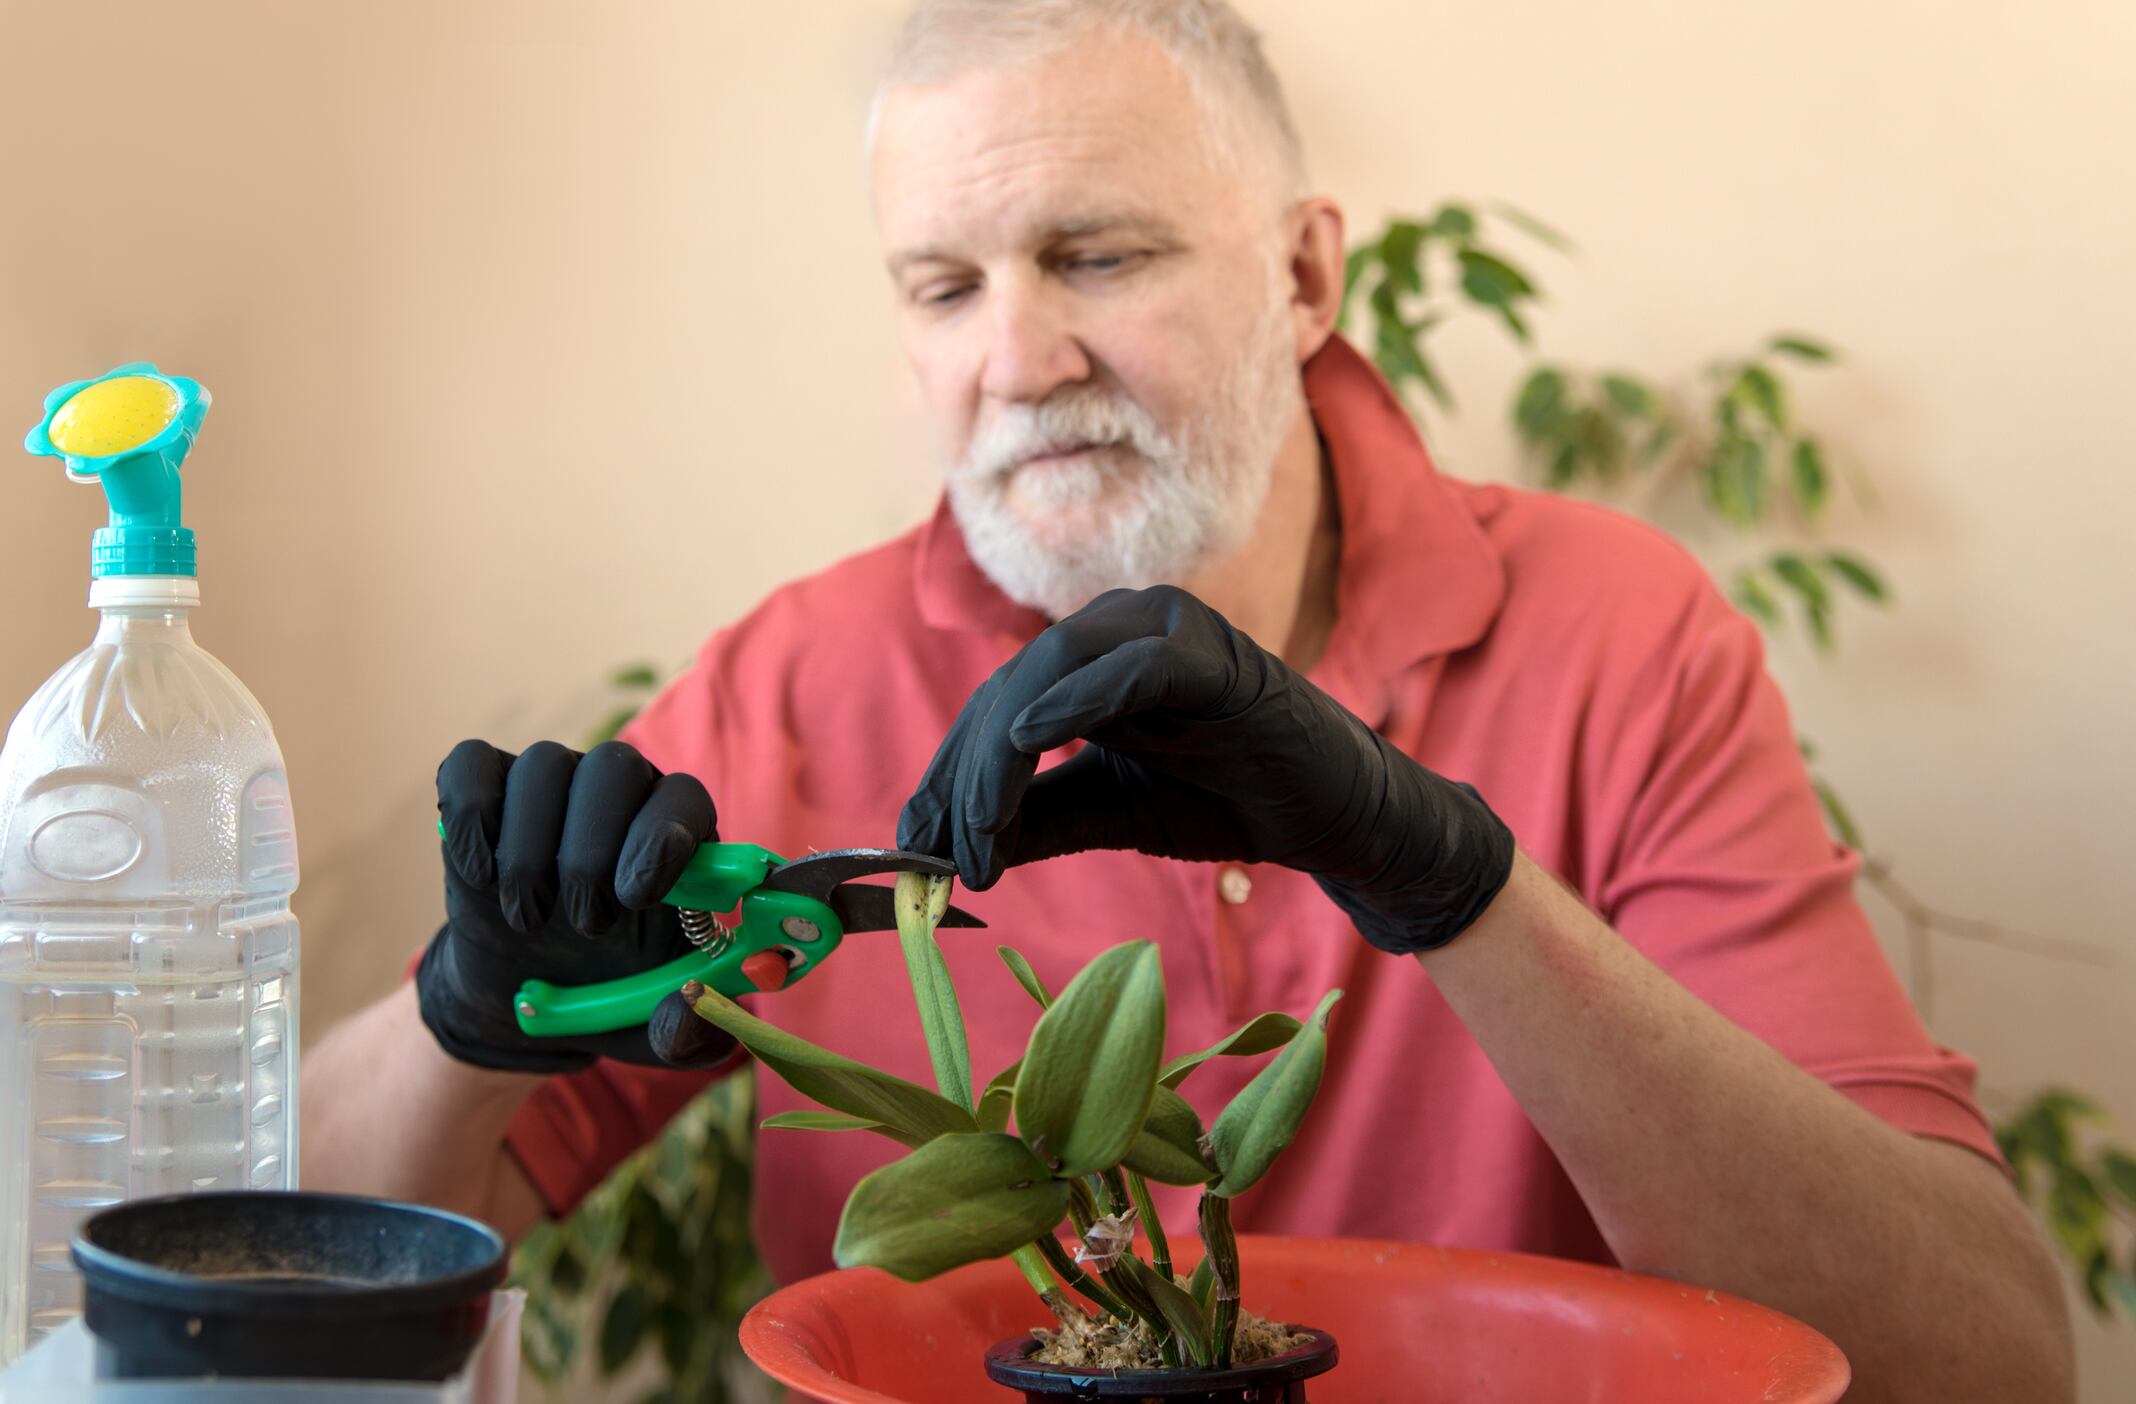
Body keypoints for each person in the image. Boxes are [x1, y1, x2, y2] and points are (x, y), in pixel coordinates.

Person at [303, 2, 2073, 1397]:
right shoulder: (798, 681)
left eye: (1099, 257)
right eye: (945, 287)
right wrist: (466, 1016)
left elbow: (1987, 1367)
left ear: (1305, 276)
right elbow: (272, 1291)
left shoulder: (1621, 632)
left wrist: (1451, 881)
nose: (1019, 359)